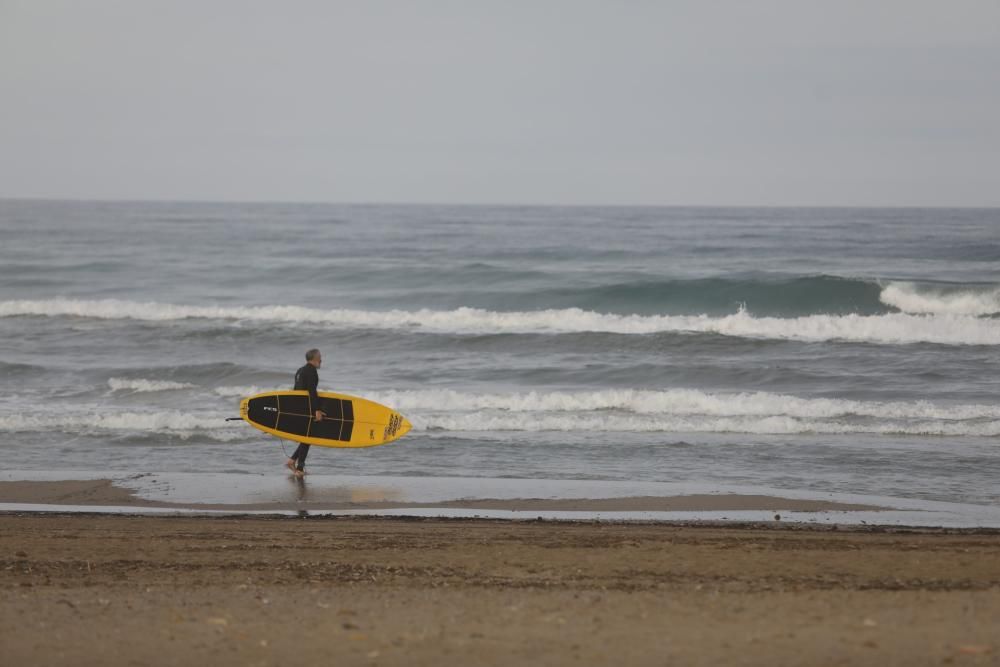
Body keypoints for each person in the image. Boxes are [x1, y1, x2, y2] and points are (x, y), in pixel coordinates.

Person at [286, 348, 326, 477]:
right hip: (305, 409)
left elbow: (296, 391)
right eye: (320, 357)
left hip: (299, 408)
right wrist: (317, 410)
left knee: (307, 437)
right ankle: (299, 469)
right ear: (314, 358)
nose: (321, 359)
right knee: (307, 437)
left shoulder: (300, 370)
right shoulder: (311, 371)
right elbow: (312, 392)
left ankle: (292, 461)